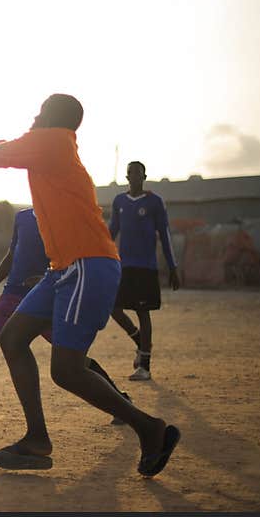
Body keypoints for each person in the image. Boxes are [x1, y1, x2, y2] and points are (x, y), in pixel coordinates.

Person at [0, 96, 180, 477]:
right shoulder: (49, 145)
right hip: (64, 269)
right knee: (13, 337)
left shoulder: (52, 142)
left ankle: (149, 429)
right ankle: (37, 439)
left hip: (88, 264)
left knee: (66, 371)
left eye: (40, 111)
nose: (34, 116)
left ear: (55, 118)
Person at [0, 208, 131, 424]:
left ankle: (121, 403)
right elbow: (11, 255)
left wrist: (47, 279)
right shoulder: (22, 217)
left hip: (44, 298)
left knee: (74, 358)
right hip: (12, 293)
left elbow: (73, 257)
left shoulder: (61, 216)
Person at [109, 161, 180, 381]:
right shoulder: (119, 201)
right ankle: (140, 341)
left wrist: (172, 266)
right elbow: (111, 232)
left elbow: (164, 234)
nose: (134, 176)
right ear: (127, 176)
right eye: (130, 173)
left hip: (146, 267)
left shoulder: (154, 202)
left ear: (144, 176)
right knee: (114, 308)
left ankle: (145, 367)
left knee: (143, 313)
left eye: (138, 173)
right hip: (124, 266)